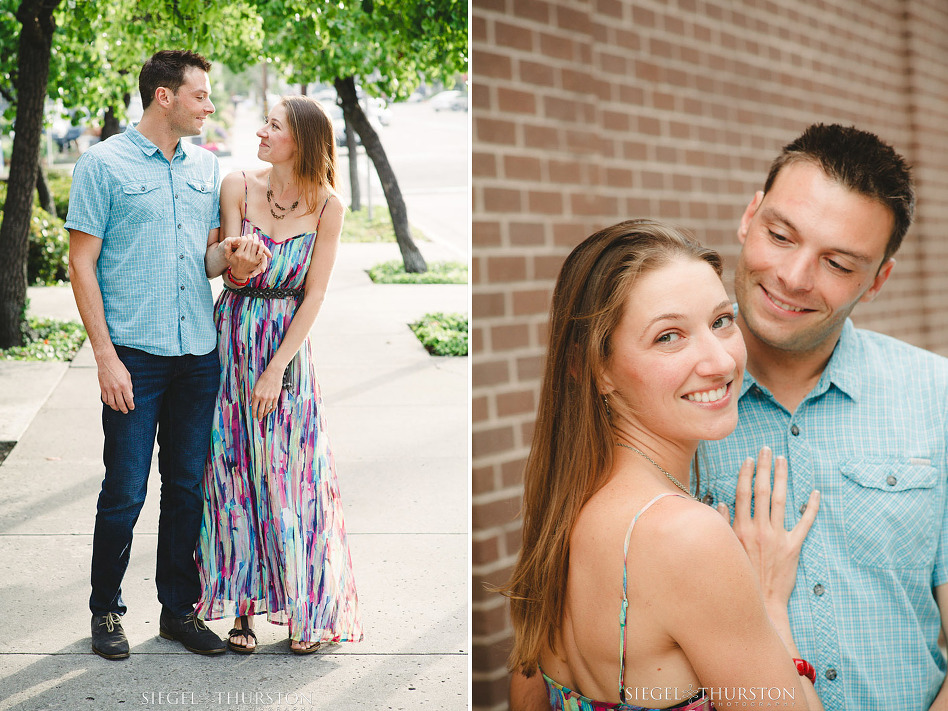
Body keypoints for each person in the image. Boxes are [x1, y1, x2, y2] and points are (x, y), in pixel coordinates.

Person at [501, 219, 824, 710]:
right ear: (596, 368)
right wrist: (771, 604)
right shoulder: (685, 536)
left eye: (721, 321)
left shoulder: (561, 512)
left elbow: (526, 698)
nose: (719, 361)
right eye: (669, 336)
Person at [694, 123, 948, 710]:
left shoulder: (936, 399)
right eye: (781, 236)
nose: (793, 277)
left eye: (837, 263)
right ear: (750, 215)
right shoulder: (664, 390)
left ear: (878, 279)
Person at [66, 50, 254, 659]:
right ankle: (106, 612)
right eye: (201, 95)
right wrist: (105, 358)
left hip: (198, 355)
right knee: (124, 490)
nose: (210, 106)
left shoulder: (206, 165)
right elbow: (82, 262)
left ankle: (178, 610)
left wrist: (235, 257)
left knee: (187, 489)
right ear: (164, 97)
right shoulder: (102, 164)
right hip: (134, 358)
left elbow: (205, 261)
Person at [195, 95, 363, 654]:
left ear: (303, 140)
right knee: (234, 473)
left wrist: (277, 370)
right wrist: (237, 269)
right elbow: (225, 273)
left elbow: (313, 296)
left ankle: (304, 608)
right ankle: (241, 612)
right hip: (234, 340)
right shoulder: (238, 186)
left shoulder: (328, 206)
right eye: (265, 123)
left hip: (287, 350)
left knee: (292, 477)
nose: (261, 132)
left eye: (273, 125)